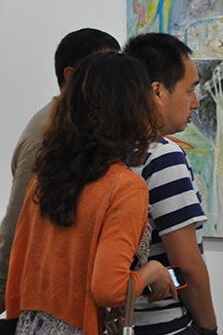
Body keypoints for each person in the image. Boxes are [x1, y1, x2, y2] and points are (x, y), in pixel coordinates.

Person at [5, 52, 176, 335]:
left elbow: (19, 263)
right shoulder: (125, 188)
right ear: (134, 109)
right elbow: (109, 289)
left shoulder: (45, 176)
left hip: (32, 325)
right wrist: (152, 272)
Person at [0, 28, 121, 312]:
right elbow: (18, 220)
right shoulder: (48, 132)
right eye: (103, 71)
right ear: (70, 75)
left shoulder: (79, 127)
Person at [124, 33, 218, 335]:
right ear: (157, 91)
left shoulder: (108, 150)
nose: (195, 103)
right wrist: (209, 328)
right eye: (189, 90)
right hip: (163, 324)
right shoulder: (162, 156)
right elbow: (187, 264)